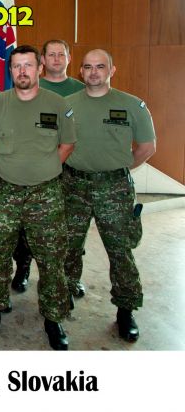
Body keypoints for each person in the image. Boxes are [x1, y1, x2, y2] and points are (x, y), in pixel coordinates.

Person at [0, 45, 75, 350]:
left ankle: (53, 318)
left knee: (51, 258)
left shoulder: (58, 104)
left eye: (28, 65)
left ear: (39, 68)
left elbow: (67, 144)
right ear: (10, 70)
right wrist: (9, 159)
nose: (22, 71)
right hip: (5, 191)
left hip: (46, 193)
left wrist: (46, 166)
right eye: (17, 66)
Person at [63, 49, 155, 342]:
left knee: (120, 250)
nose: (94, 72)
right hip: (73, 186)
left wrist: (116, 168)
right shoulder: (67, 105)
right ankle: (66, 289)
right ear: (80, 71)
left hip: (114, 190)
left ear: (111, 70)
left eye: (100, 67)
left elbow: (147, 147)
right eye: (88, 67)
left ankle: (126, 309)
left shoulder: (132, 105)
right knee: (68, 245)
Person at [10, 39, 86, 294]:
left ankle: (67, 278)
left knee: (68, 228)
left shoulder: (81, 89)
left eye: (61, 54)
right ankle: (23, 268)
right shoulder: (30, 86)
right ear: (42, 62)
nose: (56, 59)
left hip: (70, 170)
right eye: (51, 54)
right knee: (25, 226)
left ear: (69, 58)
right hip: (33, 172)